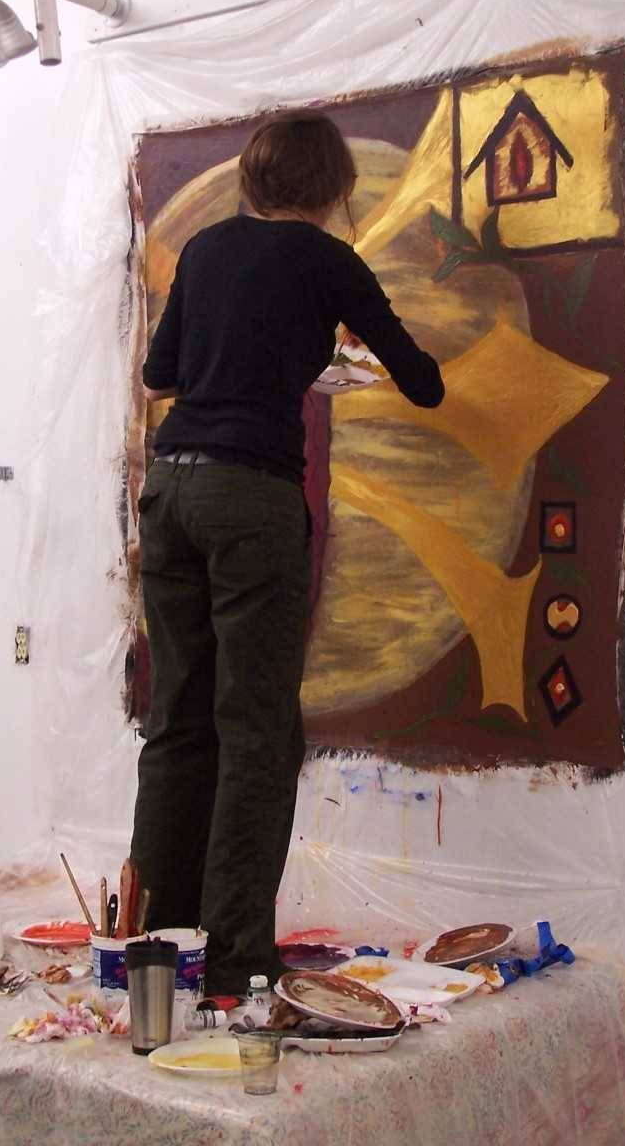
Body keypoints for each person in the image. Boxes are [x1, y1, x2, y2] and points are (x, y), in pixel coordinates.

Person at [131, 110, 444, 994]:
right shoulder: (329, 261)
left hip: (171, 491)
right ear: (331, 189)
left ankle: (155, 946)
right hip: (250, 497)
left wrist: (264, 359)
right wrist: (323, 354)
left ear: (254, 181)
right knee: (258, 730)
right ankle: (234, 958)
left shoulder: (203, 250)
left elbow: (163, 376)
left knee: (179, 720)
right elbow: (423, 383)